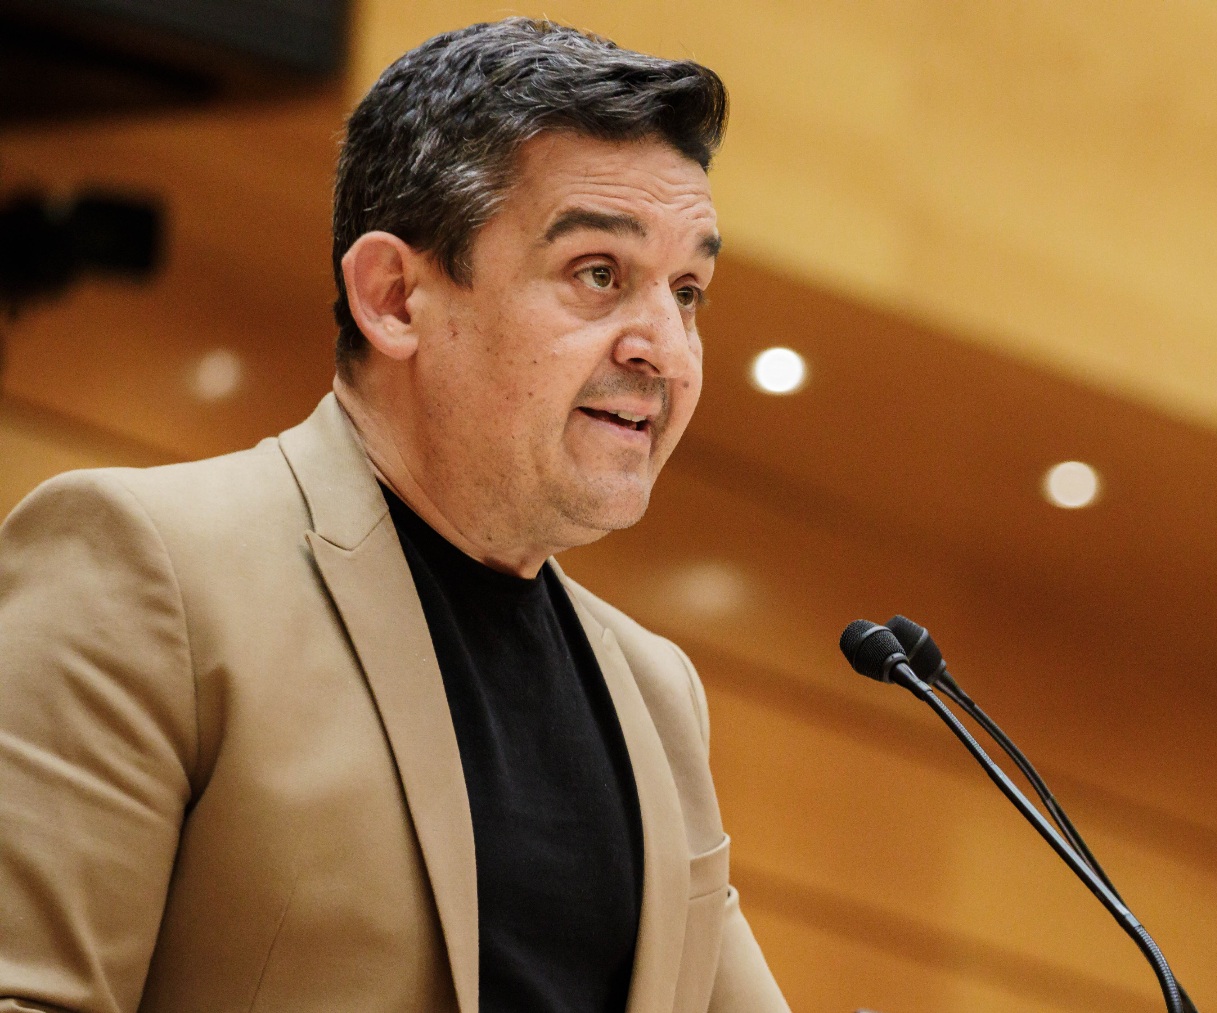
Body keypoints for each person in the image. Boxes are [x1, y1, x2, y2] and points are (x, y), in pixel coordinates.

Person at [0, 19, 788, 1013]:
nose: (667, 350)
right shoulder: (145, 565)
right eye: (600, 274)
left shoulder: (658, 693)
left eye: (689, 292)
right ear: (394, 296)